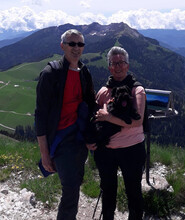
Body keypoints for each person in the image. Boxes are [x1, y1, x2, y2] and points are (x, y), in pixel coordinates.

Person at [35, 29, 96, 220]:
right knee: (70, 189)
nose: (76, 48)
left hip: (78, 137)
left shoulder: (84, 72)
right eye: (72, 43)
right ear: (62, 46)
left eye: (80, 44)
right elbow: (41, 116)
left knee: (76, 182)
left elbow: (91, 104)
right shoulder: (51, 73)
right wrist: (45, 154)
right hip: (60, 140)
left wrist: (92, 134)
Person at [87, 46, 146, 220]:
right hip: (106, 151)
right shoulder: (103, 92)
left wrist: (108, 117)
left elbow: (138, 121)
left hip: (132, 149)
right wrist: (88, 140)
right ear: (109, 68)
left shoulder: (137, 90)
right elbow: (94, 119)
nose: (118, 67)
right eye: (114, 63)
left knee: (133, 191)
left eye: (121, 63)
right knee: (108, 191)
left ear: (128, 65)